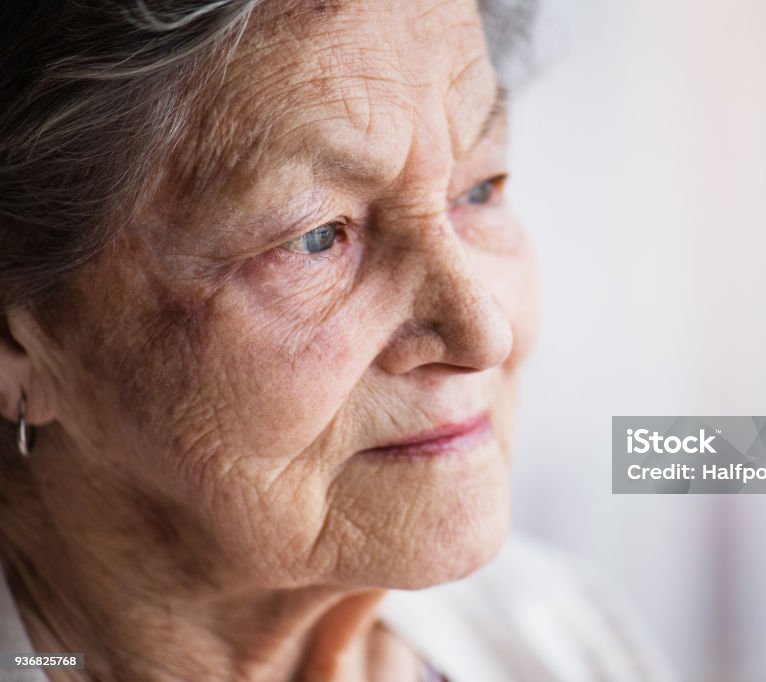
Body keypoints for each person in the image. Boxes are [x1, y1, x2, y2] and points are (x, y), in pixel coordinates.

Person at [0, 1, 672, 679]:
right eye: (317, 235)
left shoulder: (562, 641)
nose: (482, 334)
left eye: (479, 191)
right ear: (16, 336)